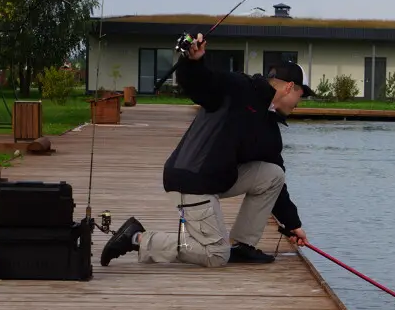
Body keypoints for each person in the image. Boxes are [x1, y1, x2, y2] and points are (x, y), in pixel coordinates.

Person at [100, 33, 315, 268]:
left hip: (214, 179)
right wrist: (193, 61)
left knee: (273, 174)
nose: (299, 103)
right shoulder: (240, 88)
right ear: (290, 88)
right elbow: (201, 84)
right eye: (300, 96)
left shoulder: (269, 126)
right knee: (216, 254)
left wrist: (292, 224)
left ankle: (244, 246)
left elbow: (276, 184)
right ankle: (137, 238)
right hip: (190, 179)